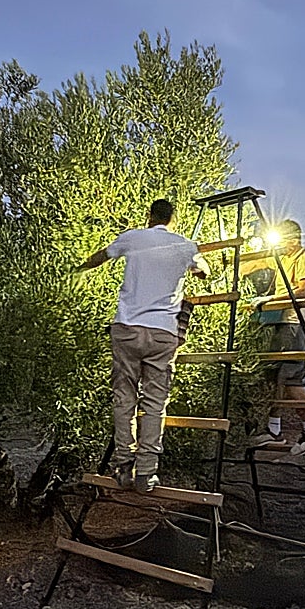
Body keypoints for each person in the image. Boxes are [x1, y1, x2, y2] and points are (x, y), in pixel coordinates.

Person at [76, 199, 209, 493]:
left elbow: (101, 256)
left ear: (150, 216)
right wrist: (195, 270)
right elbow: (204, 270)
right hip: (163, 332)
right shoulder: (186, 245)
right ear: (174, 219)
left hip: (127, 328)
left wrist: (79, 268)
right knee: (155, 403)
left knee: (124, 398)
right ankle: (146, 474)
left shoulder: (133, 237)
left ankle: (123, 466)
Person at [251, 219, 305, 455]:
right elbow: (255, 264)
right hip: (281, 323)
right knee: (276, 377)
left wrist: (270, 300)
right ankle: (273, 428)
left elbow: (304, 291)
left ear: (294, 239)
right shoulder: (283, 258)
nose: (281, 246)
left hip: (296, 325)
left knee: (292, 379)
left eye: (284, 241)